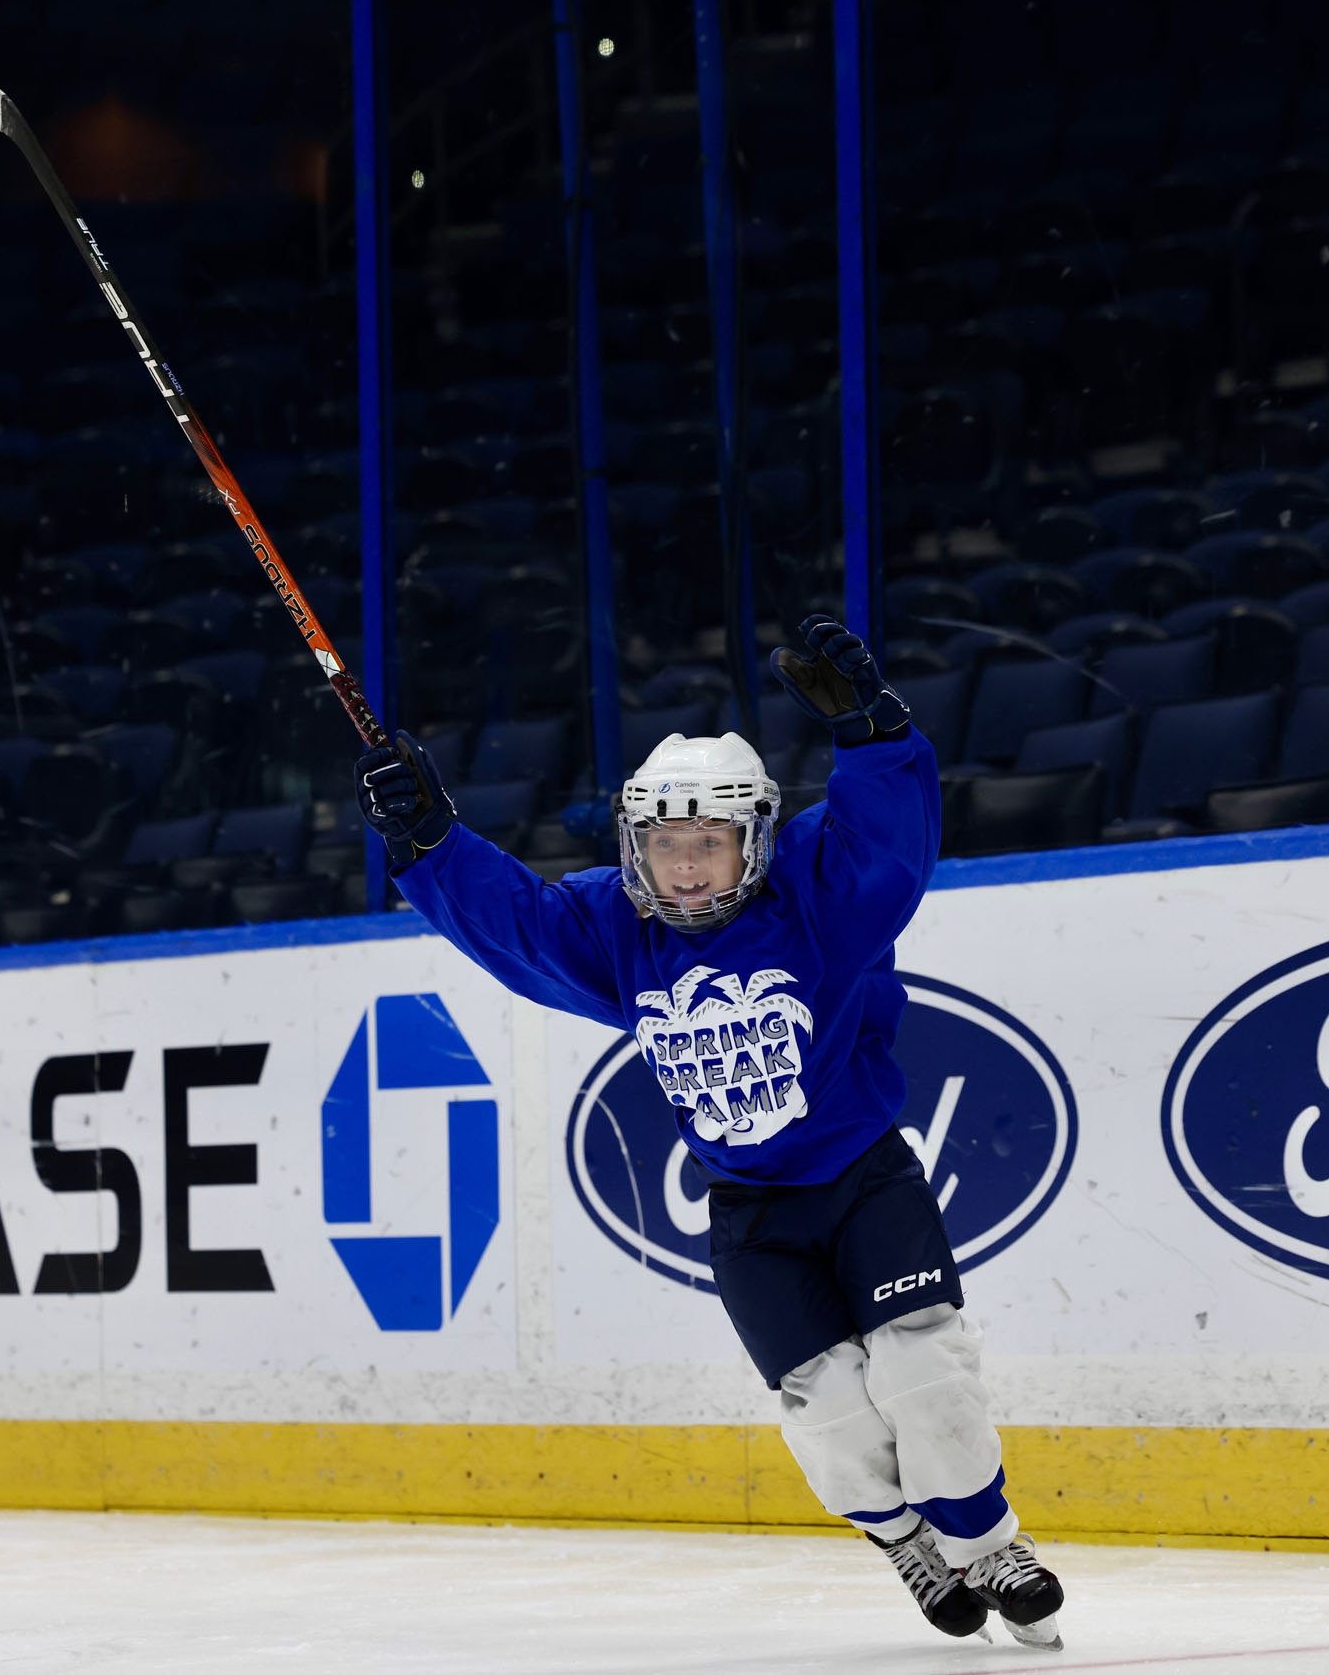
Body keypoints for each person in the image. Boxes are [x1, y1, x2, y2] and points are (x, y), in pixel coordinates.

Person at [354, 615, 1064, 1648]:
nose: (685, 867)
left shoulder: (820, 901)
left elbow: (889, 850)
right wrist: (427, 839)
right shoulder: (617, 930)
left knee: (922, 1368)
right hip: (750, 1215)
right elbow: (518, 929)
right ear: (635, 843)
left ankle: (987, 1539)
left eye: (709, 840)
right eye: (663, 841)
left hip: (865, 1180)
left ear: (755, 839)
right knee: (825, 1407)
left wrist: (874, 733)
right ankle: (905, 1537)